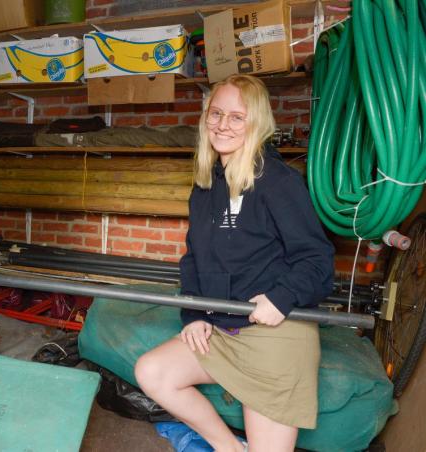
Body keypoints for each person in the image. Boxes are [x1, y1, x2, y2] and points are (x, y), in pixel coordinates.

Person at [134, 75, 335, 452]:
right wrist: (194, 313)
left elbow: (319, 260)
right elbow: (194, 259)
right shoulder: (205, 186)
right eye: (216, 114)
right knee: (152, 371)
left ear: (257, 123)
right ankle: (229, 448)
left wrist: (281, 297)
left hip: (274, 334)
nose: (223, 125)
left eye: (237, 117)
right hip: (223, 328)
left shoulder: (278, 182)